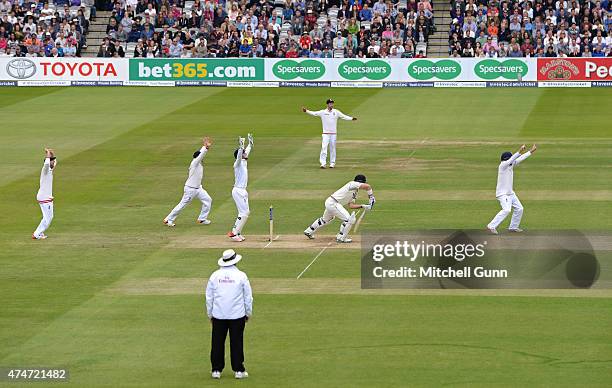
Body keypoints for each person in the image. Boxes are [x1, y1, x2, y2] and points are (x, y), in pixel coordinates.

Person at [206, 249, 253, 380]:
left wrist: (210, 314)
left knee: (217, 342)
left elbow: (209, 298)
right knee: (236, 341)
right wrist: (248, 313)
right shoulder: (241, 276)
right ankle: (239, 370)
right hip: (237, 315)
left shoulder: (215, 275)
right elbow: (248, 297)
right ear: (235, 261)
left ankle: (216, 370)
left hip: (219, 315)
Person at [304, 175, 375, 243]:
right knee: (349, 220)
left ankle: (309, 231)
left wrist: (363, 206)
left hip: (331, 203)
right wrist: (371, 197)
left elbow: (351, 205)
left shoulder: (355, 192)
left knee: (325, 220)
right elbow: (368, 186)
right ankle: (341, 237)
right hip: (333, 203)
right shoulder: (352, 184)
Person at [487, 144, 537, 234]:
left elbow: (520, 159)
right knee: (506, 210)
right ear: (507, 159)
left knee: (520, 208)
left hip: (510, 193)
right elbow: (512, 159)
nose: (513, 161)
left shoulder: (510, 164)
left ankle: (513, 227)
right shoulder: (502, 166)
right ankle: (491, 226)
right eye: (510, 158)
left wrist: (531, 151)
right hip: (502, 194)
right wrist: (519, 150)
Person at [163, 137, 213, 227]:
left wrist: (204, 146)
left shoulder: (198, 162)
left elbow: (200, 154)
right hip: (190, 189)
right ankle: (168, 219)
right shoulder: (195, 163)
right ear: (198, 157)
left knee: (208, 200)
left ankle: (202, 219)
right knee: (182, 205)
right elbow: (200, 155)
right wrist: (206, 148)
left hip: (198, 188)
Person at [302, 99, 357, 169]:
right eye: (330, 103)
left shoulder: (336, 112)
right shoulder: (323, 112)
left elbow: (344, 116)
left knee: (332, 148)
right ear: (327, 104)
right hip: (325, 133)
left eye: (332, 103)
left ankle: (332, 163)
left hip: (333, 134)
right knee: (324, 147)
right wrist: (306, 111)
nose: (331, 105)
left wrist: (351, 118)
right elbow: (314, 113)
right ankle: (323, 163)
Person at [228, 134, 253, 242]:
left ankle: (237, 232)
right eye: (244, 153)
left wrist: (250, 145)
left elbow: (246, 153)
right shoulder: (237, 164)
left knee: (246, 212)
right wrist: (241, 147)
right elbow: (239, 157)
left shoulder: (244, 162)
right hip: (237, 190)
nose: (246, 154)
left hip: (243, 190)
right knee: (243, 213)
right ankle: (233, 233)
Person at [33, 148, 57, 240]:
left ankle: (40, 232)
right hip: (44, 197)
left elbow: (54, 162)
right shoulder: (45, 169)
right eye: (52, 161)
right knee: (48, 218)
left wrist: (52, 153)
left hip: (45, 197)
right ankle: (36, 234)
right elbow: (47, 163)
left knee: (48, 217)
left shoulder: (50, 169)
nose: (53, 162)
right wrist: (47, 154)